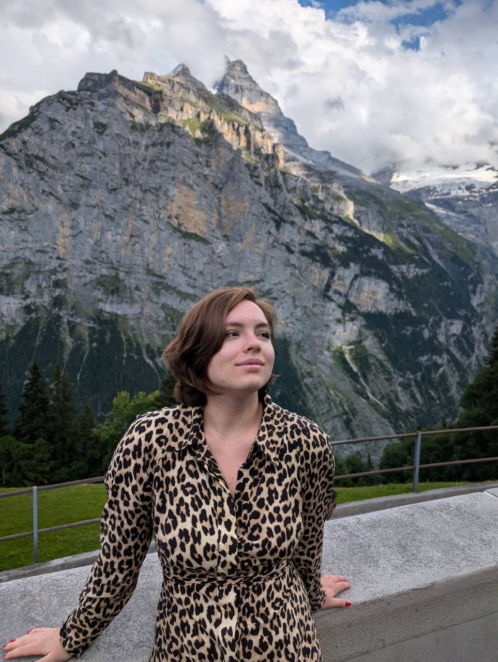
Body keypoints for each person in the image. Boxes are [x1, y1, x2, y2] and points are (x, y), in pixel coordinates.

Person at [2, 286, 351, 661]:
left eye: (263, 334)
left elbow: (308, 543)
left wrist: (313, 592)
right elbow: (119, 561)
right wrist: (71, 637)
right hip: (187, 649)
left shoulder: (306, 442)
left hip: (287, 646)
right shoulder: (151, 441)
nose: (254, 343)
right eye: (232, 334)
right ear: (197, 354)